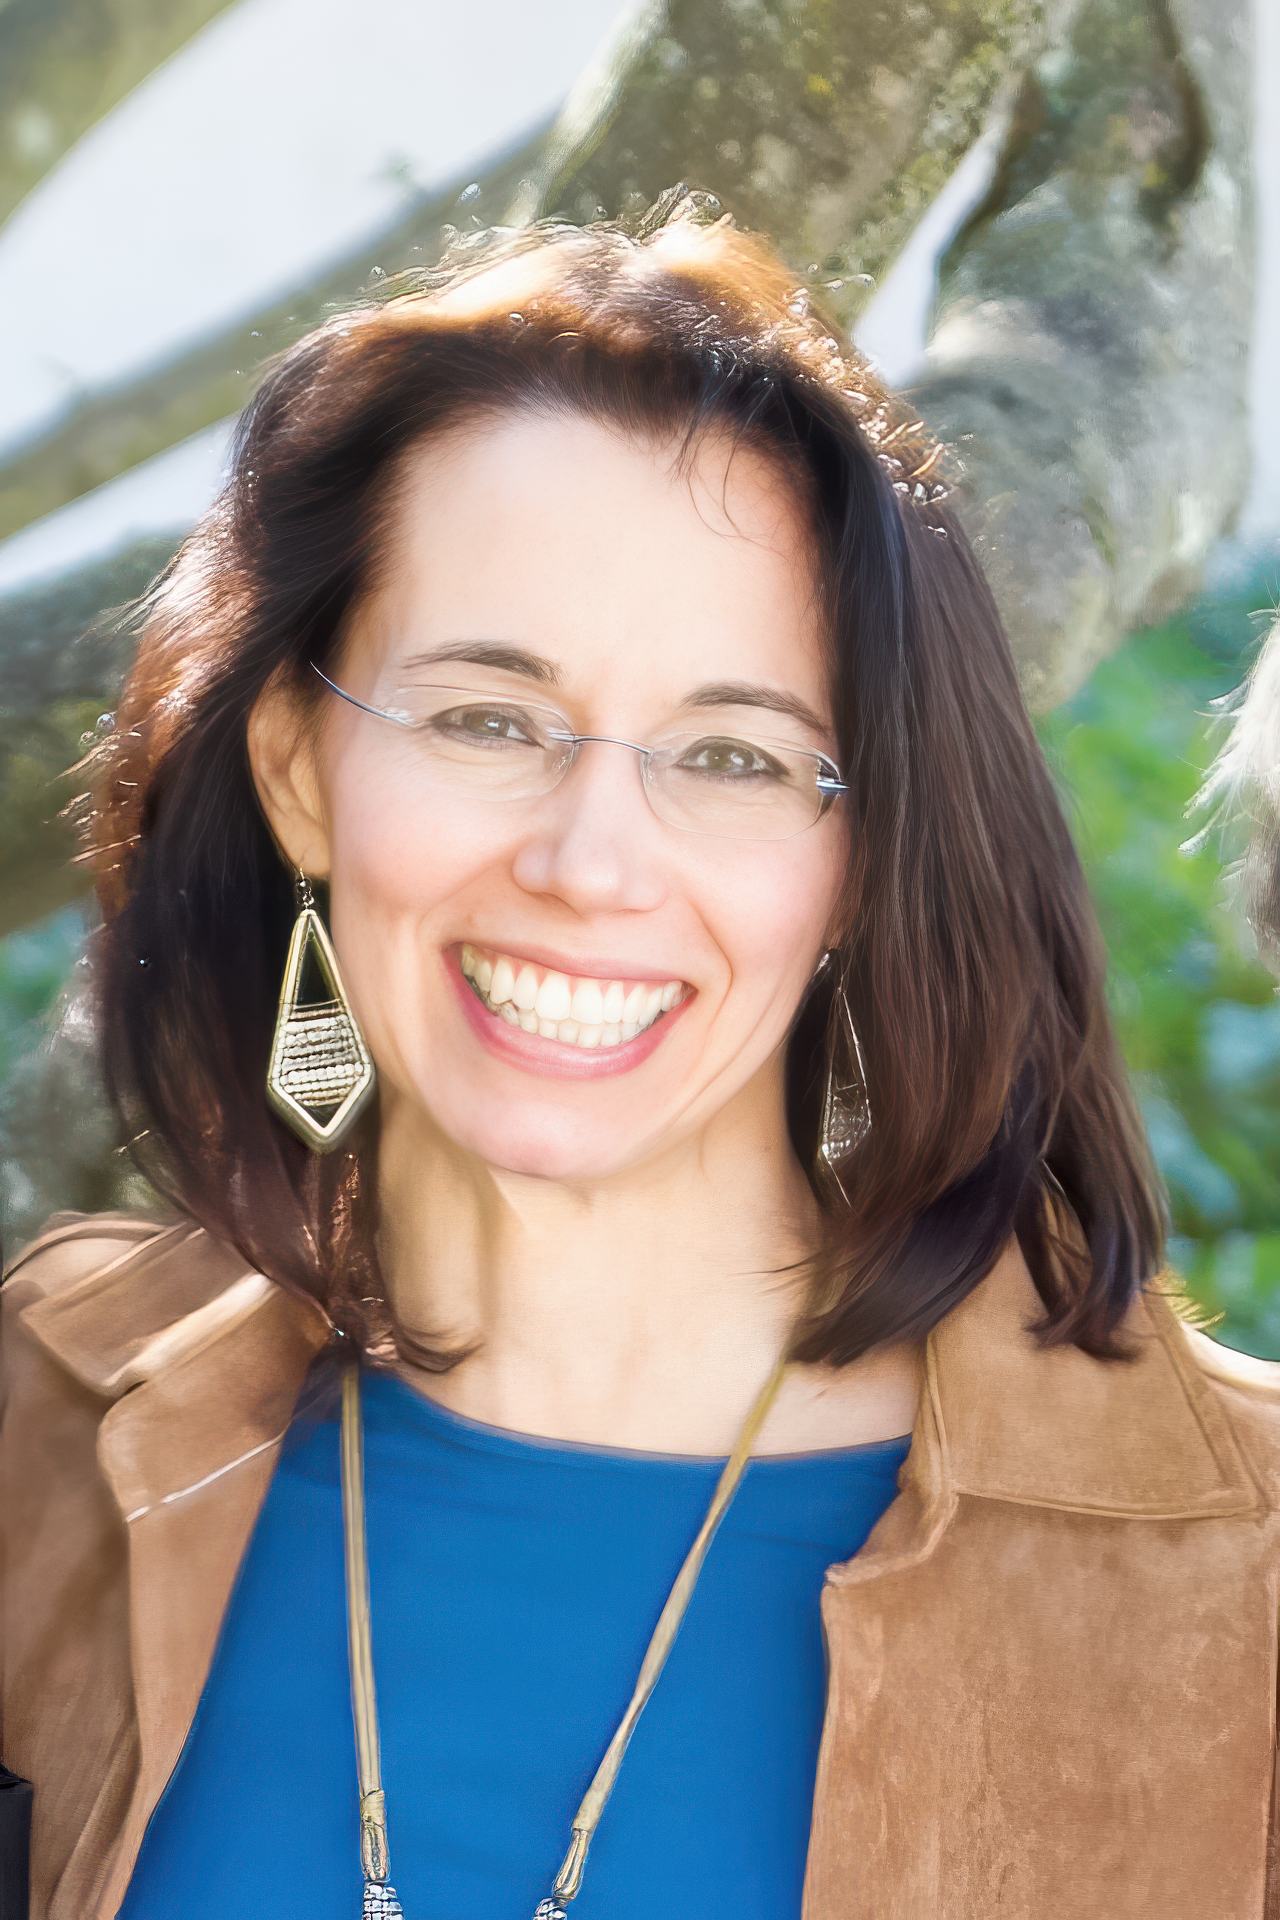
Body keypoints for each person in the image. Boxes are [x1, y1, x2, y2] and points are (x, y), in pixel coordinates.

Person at [3, 196, 1277, 1920]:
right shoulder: (41, 1432)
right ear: (301, 771)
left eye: (736, 757)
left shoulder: (1242, 1575)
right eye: (483, 719)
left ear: (861, 859)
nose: (591, 862)